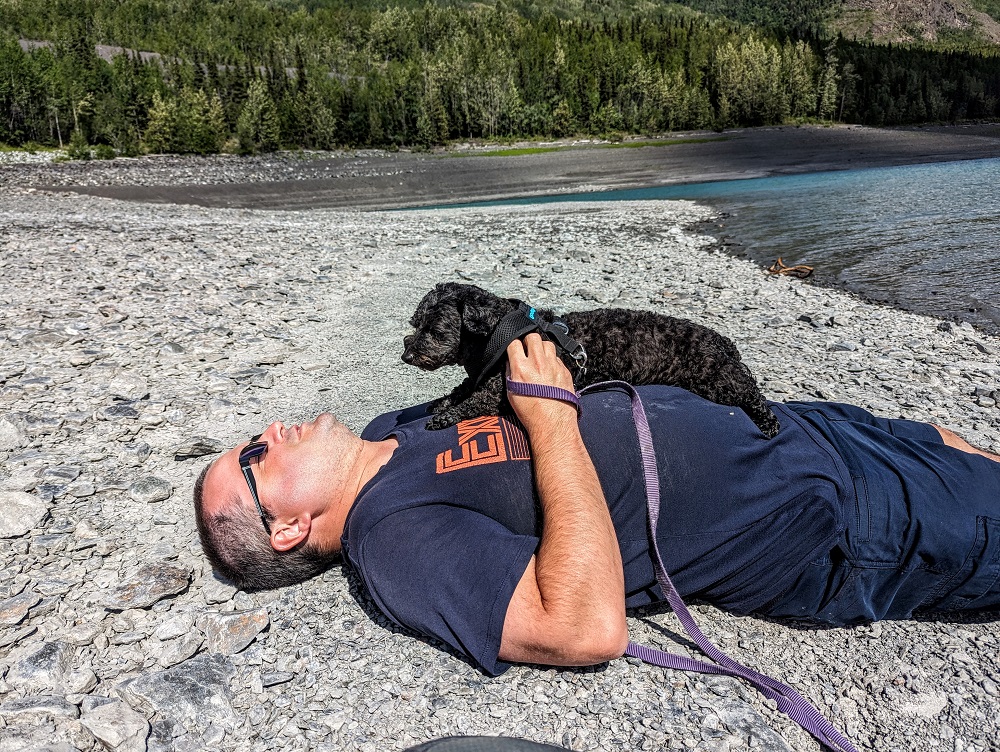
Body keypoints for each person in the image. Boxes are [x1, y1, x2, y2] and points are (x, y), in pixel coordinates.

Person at [194, 334, 1000, 676]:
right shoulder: (393, 543)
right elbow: (581, 629)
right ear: (290, 528)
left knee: (959, 445)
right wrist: (550, 416)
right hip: (838, 521)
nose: (269, 431)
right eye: (255, 458)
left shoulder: (387, 432)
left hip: (794, 426)